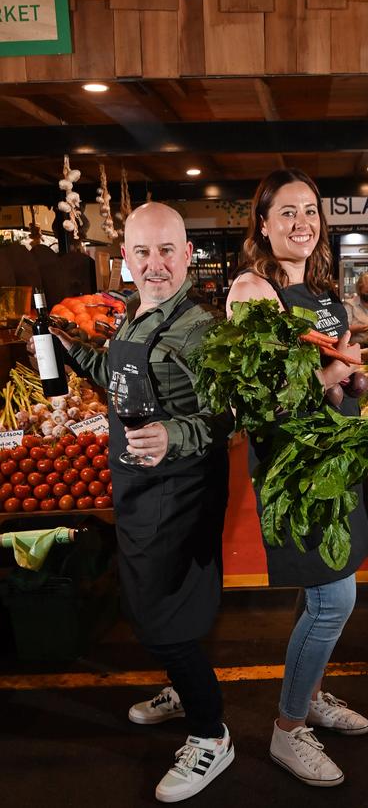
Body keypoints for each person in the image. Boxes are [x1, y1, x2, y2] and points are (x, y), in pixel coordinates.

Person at [47, 202, 234, 803]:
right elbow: (119, 378)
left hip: (180, 488)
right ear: (125, 257)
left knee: (163, 617)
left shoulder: (201, 328)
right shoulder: (130, 316)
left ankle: (212, 734)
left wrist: (172, 435)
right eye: (142, 252)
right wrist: (70, 347)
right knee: (149, 606)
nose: (154, 264)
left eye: (166, 251)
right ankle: (182, 687)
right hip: (136, 482)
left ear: (186, 254)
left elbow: (226, 417)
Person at [227, 169, 368, 788]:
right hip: (295, 469)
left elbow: (337, 377)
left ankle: (309, 693)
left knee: (326, 594)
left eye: (310, 211)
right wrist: (331, 377)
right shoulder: (252, 290)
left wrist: (356, 382)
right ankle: (289, 730)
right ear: (262, 223)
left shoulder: (322, 291)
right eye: (286, 212)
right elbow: (259, 404)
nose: (302, 224)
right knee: (333, 600)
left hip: (334, 458)